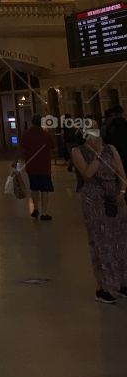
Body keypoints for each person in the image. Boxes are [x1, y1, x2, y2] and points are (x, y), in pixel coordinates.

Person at [70, 127, 127, 305]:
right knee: (101, 242)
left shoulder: (112, 149)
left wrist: (122, 191)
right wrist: (98, 153)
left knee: (120, 241)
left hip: (115, 199)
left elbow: (122, 173)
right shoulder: (78, 151)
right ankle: (102, 287)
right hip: (94, 201)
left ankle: (122, 282)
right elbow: (87, 174)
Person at [19, 114, 54, 220]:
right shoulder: (46, 135)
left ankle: (35, 208)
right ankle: (44, 213)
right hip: (44, 166)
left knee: (34, 187)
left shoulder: (26, 134)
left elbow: (22, 149)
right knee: (45, 189)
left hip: (31, 165)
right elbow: (52, 146)